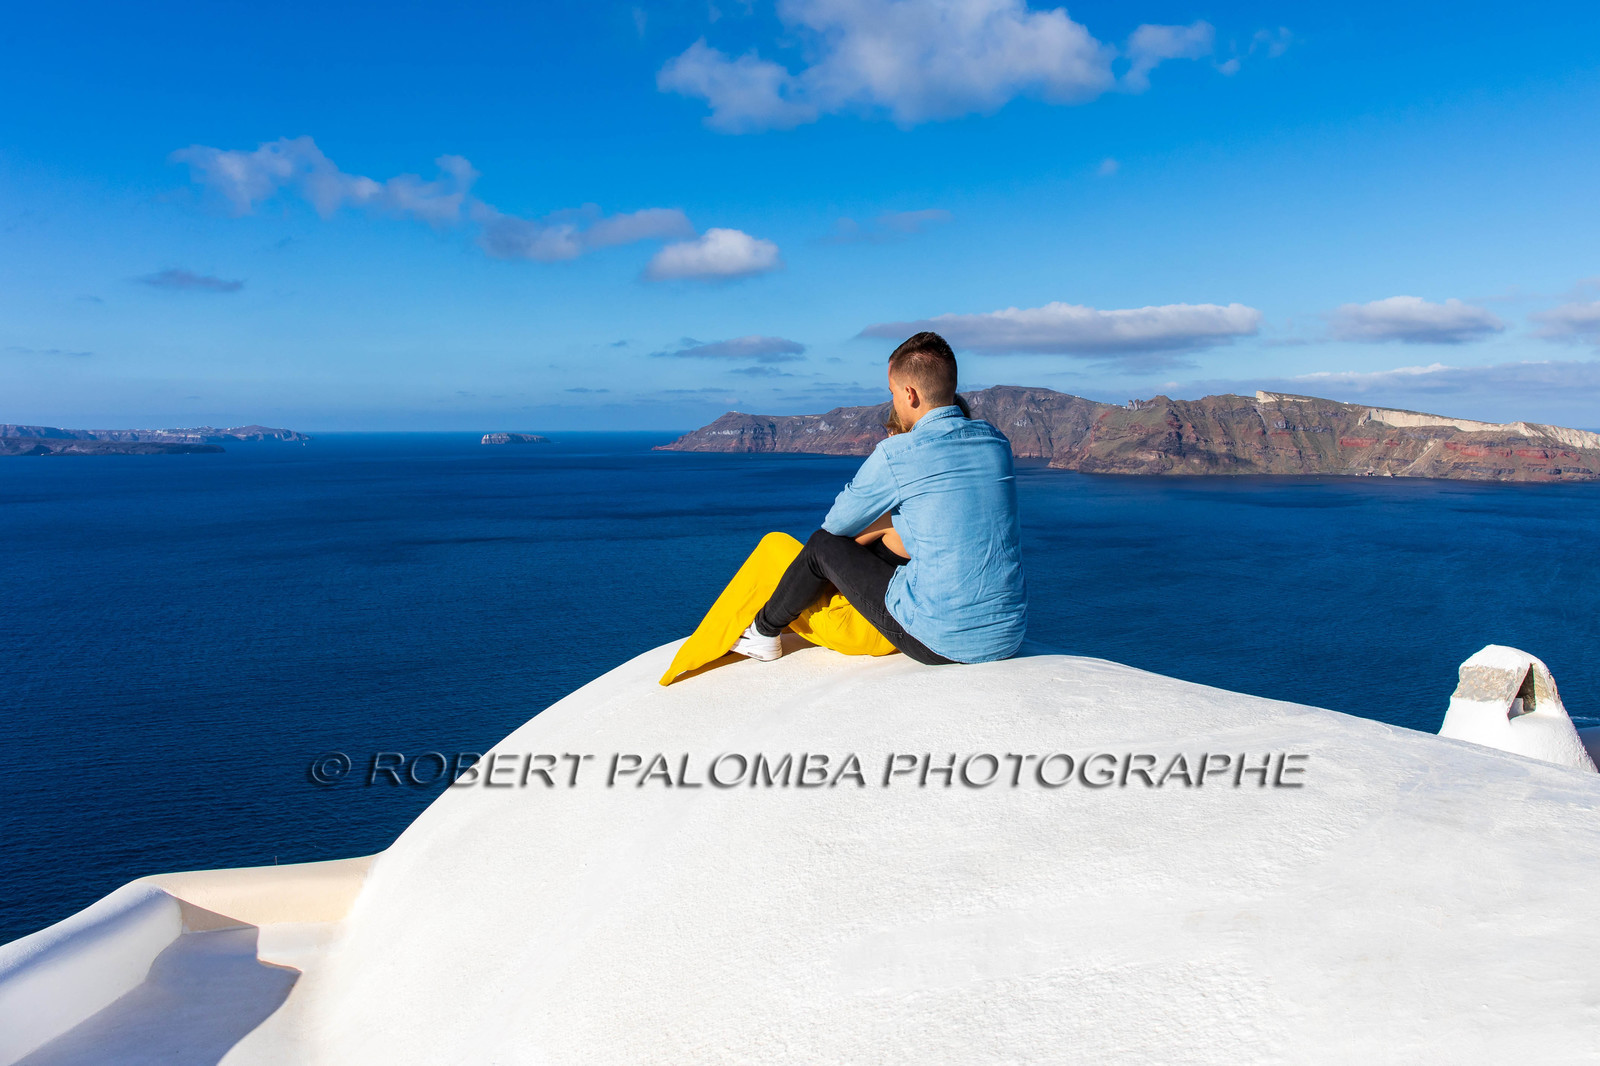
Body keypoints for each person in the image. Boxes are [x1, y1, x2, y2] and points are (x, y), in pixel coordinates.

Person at [730, 331, 1026, 666]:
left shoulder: (899, 453)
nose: (894, 403)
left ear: (909, 394)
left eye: (893, 394)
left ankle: (763, 631)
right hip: (1008, 634)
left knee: (821, 546)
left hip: (940, 641)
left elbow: (836, 525)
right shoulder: (996, 443)